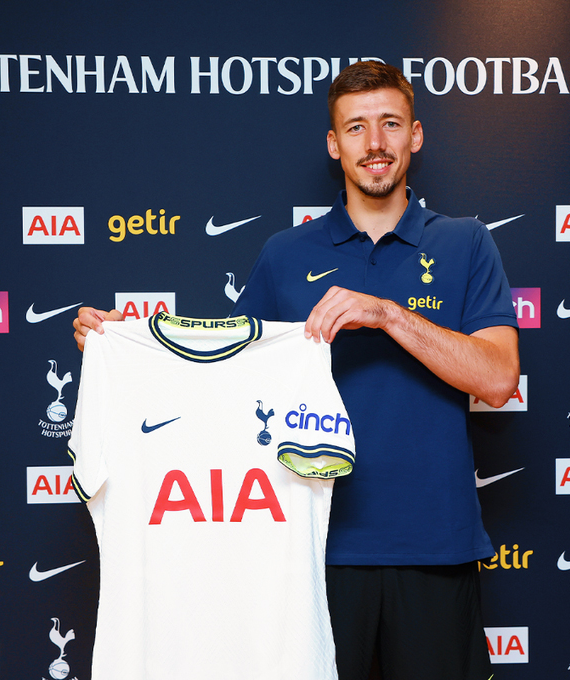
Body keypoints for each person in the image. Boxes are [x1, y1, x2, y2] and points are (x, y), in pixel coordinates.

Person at [74, 61, 519, 680]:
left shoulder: (467, 243)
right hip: (311, 553)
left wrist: (389, 314)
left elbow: (499, 380)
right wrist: (126, 345)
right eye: (357, 128)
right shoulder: (286, 254)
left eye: (390, 124)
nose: (376, 143)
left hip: (435, 547)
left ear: (415, 135)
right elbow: (223, 379)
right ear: (335, 144)